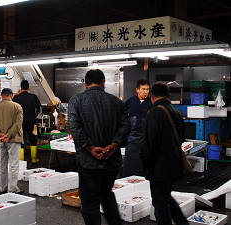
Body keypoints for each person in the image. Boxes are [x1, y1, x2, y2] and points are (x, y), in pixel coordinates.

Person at [68, 69, 131, 225]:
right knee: (106, 195)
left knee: (90, 202)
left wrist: (90, 148)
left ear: (85, 85)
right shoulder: (117, 102)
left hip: (88, 162)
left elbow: (74, 128)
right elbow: (126, 126)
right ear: (104, 83)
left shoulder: (76, 100)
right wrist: (114, 145)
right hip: (111, 160)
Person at [140, 82, 188, 225]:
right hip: (173, 164)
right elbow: (182, 137)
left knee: (160, 203)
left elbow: (148, 143)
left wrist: (146, 164)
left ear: (152, 96)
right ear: (169, 96)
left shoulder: (153, 113)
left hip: (158, 166)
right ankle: (183, 223)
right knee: (165, 197)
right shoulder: (175, 111)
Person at [0, 88, 24, 194]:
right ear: (11, 96)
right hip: (14, 139)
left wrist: (0, 135)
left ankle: (3, 188)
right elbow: (18, 123)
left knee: (1, 164)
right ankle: (12, 188)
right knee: (13, 164)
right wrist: (8, 135)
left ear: (1, 96)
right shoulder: (17, 107)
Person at [122, 79, 152, 177]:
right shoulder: (130, 101)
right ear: (137, 90)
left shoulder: (151, 103)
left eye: (147, 89)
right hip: (131, 139)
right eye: (143, 89)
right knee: (129, 165)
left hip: (145, 139)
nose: (146, 92)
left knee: (143, 165)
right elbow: (121, 114)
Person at [13, 80, 41, 163]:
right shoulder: (34, 97)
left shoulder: (16, 97)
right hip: (31, 122)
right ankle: (34, 159)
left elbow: (13, 110)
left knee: (21, 140)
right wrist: (34, 116)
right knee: (33, 139)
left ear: (20, 88)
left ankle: (21, 160)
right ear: (28, 88)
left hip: (20, 122)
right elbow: (38, 110)